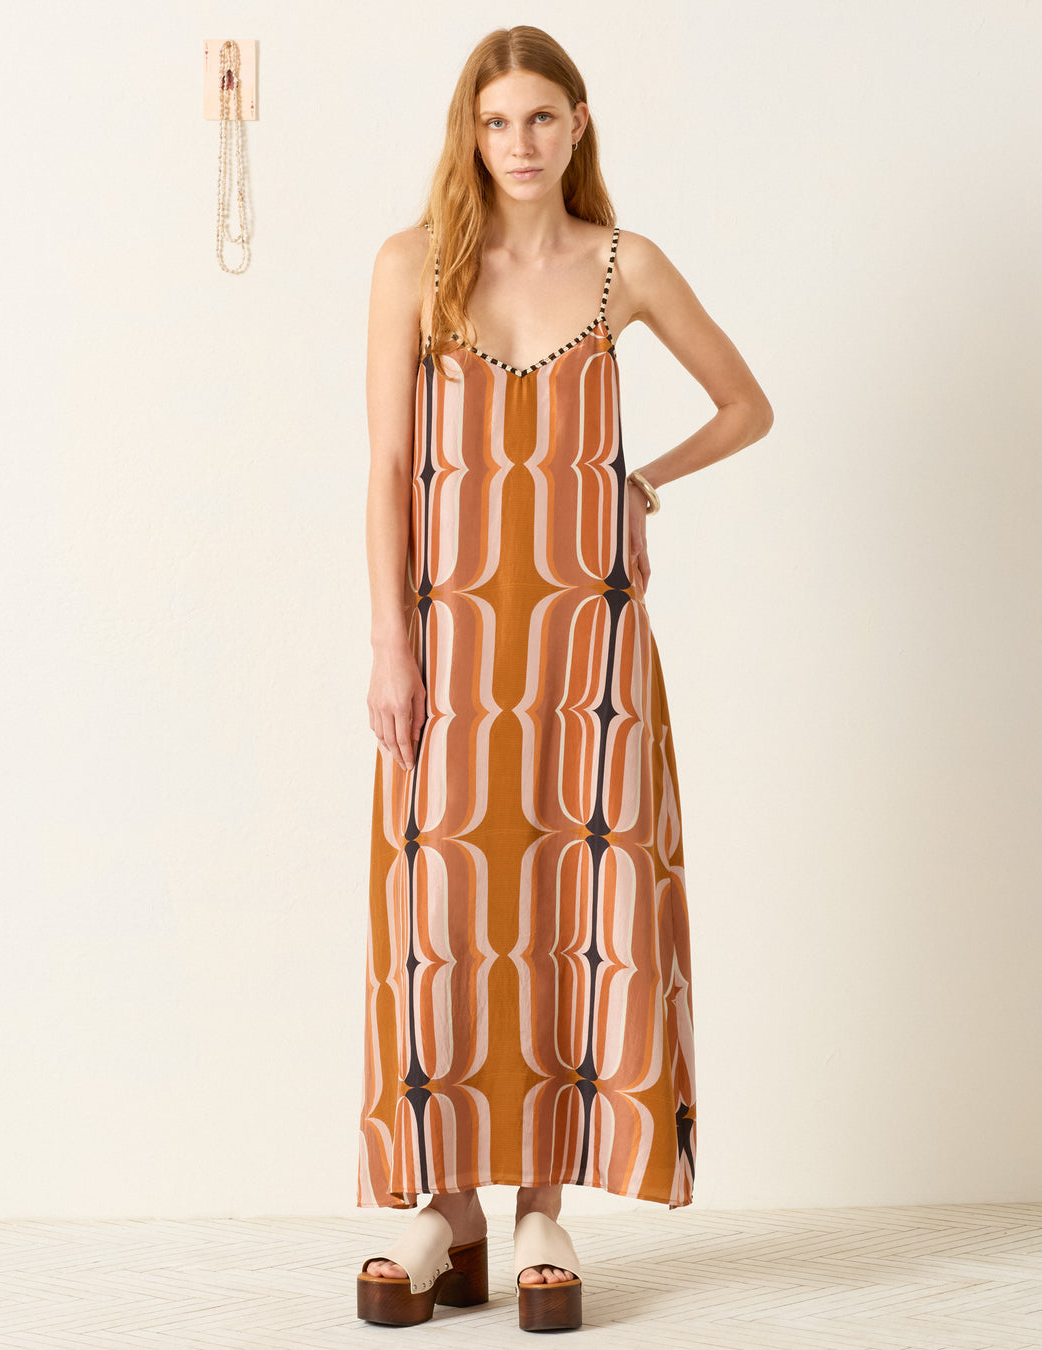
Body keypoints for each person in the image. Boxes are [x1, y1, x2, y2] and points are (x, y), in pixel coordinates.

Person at [355, 25, 773, 1333]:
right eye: (498, 123)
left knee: (563, 905)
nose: (521, 143)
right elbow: (382, 469)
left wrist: (642, 480)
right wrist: (389, 641)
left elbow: (746, 404)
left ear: (578, 124)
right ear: (468, 133)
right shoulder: (415, 266)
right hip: (451, 649)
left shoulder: (623, 267)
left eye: (543, 118)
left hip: (587, 652)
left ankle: (539, 1206)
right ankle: (448, 1206)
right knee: (442, 918)